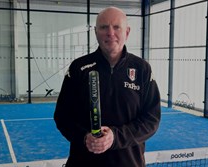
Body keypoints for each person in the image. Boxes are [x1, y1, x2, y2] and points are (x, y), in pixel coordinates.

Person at [54, 6, 161, 167]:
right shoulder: (79, 68)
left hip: (129, 163)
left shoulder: (142, 69)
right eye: (104, 27)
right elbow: (62, 116)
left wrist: (116, 137)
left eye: (116, 27)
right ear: (96, 32)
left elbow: (151, 120)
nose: (110, 33)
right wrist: (84, 137)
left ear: (127, 32)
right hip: (83, 162)